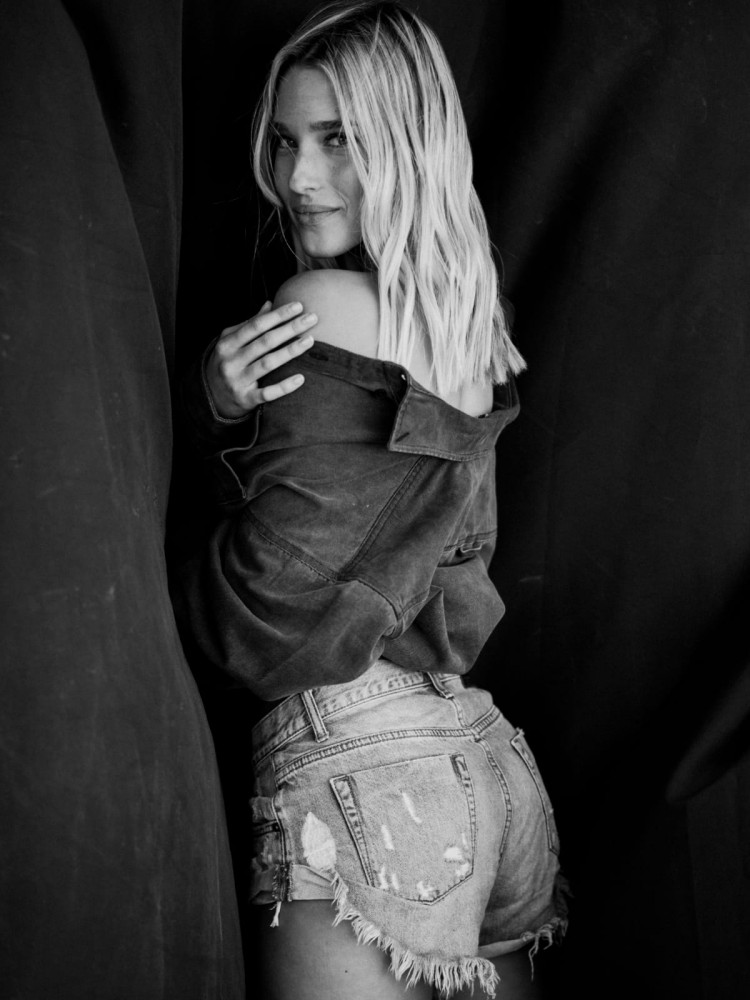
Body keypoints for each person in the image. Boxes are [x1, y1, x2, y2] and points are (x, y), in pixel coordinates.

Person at [177, 2, 567, 997]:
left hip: (366, 769)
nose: (299, 178)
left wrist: (207, 420)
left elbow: (264, 628)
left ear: (406, 144)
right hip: (485, 757)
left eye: (339, 139)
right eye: (285, 140)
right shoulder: (472, 323)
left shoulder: (316, 307)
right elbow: (389, 549)